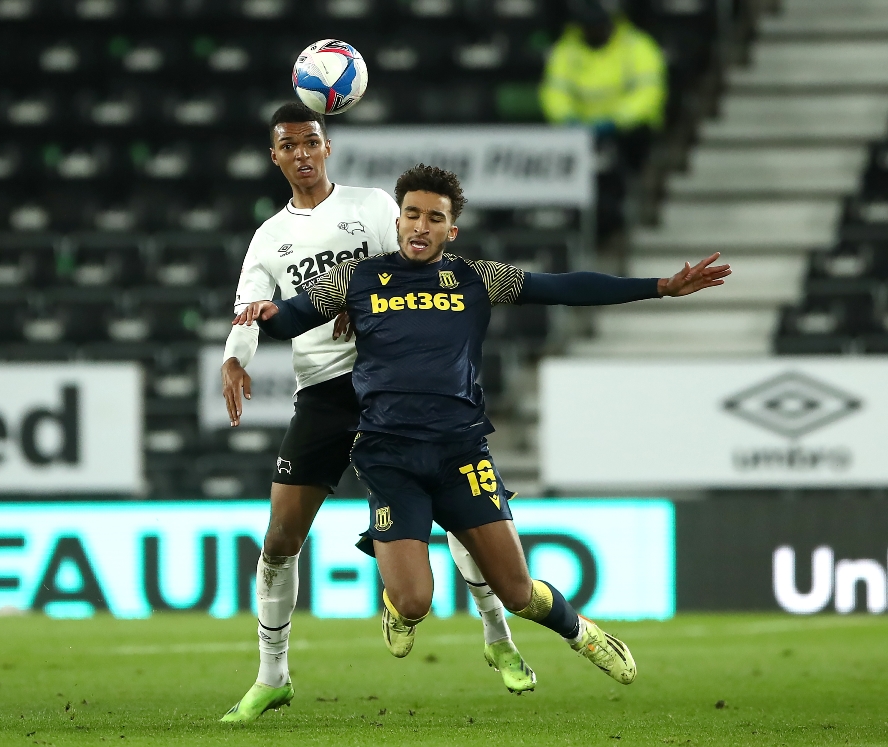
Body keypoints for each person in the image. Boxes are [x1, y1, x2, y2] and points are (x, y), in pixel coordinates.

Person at [235, 164, 730, 689]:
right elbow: (294, 319)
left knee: (518, 594)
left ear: (452, 230)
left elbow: (564, 287)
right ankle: (396, 602)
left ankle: (581, 633)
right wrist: (267, 316)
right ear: (396, 220)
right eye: (411, 215)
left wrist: (658, 287)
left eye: (434, 218)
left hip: (461, 455)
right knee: (413, 601)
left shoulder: (479, 278)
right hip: (389, 456)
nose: (420, 227)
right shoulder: (357, 279)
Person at [219, 105, 535, 723]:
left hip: (394, 385)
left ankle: (500, 640)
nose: (303, 153)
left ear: (327, 146)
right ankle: (272, 674)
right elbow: (253, 313)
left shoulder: (372, 209)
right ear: (276, 157)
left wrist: (366, 304)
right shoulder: (267, 238)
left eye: (312, 140)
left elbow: (424, 265)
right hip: (324, 391)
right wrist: (236, 358)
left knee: (463, 519)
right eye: (290, 145)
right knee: (282, 535)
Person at [541, 0, 667, 235]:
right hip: (578, 133)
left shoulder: (637, 46)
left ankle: (623, 211)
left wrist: (616, 121)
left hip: (626, 132)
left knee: (622, 158)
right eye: (588, 26)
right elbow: (554, 92)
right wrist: (567, 119)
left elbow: (649, 93)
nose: (593, 31)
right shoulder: (566, 50)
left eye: (598, 25)